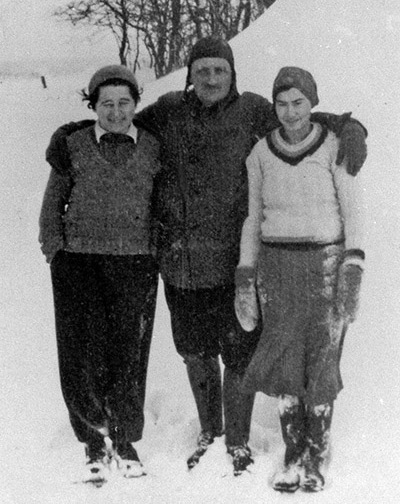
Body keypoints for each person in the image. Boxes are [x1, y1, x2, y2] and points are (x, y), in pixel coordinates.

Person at [45, 38, 367, 476]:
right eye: (202, 71)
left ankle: (236, 442)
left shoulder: (253, 110)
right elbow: (118, 121)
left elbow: (301, 117)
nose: (211, 79)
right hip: (180, 264)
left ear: (232, 74)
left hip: (235, 263)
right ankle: (208, 434)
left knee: (238, 354)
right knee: (194, 351)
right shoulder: (168, 110)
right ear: (189, 74)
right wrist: (68, 134)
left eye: (219, 70)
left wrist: (350, 127)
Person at [235, 66, 365, 491]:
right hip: (277, 271)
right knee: (283, 364)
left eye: (299, 103)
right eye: (282, 103)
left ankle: (317, 452)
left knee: (322, 362)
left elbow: (353, 212)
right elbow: (253, 217)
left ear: (313, 104)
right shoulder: (259, 153)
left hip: (324, 267)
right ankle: (293, 453)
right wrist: (246, 273)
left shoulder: (334, 147)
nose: (290, 113)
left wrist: (353, 267)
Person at [39, 65, 160, 485]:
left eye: (123, 102)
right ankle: (92, 438)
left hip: (135, 263)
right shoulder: (72, 144)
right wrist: (55, 250)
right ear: (93, 105)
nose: (115, 111)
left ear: (135, 104)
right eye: (105, 103)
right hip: (79, 264)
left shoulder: (152, 147)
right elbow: (52, 203)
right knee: (81, 352)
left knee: (129, 353)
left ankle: (125, 440)